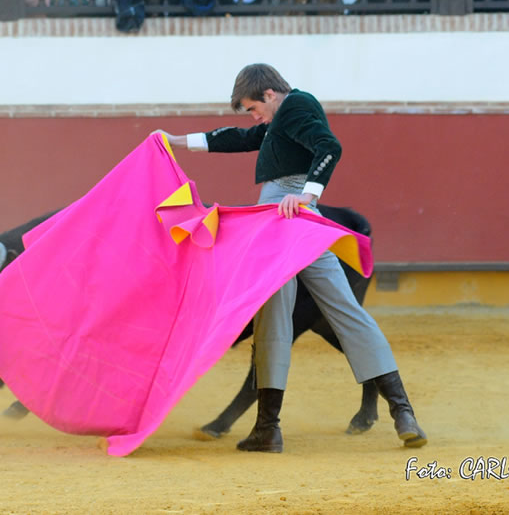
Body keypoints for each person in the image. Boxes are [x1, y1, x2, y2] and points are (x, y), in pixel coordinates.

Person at [156, 63, 427, 453]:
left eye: (254, 108)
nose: (255, 117)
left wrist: (307, 195)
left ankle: (269, 428)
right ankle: (403, 413)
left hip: (284, 218)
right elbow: (240, 138)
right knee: (346, 312)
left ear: (269, 94)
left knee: (273, 320)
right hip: (292, 221)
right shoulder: (284, 116)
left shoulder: (296, 106)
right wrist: (178, 141)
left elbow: (329, 147)